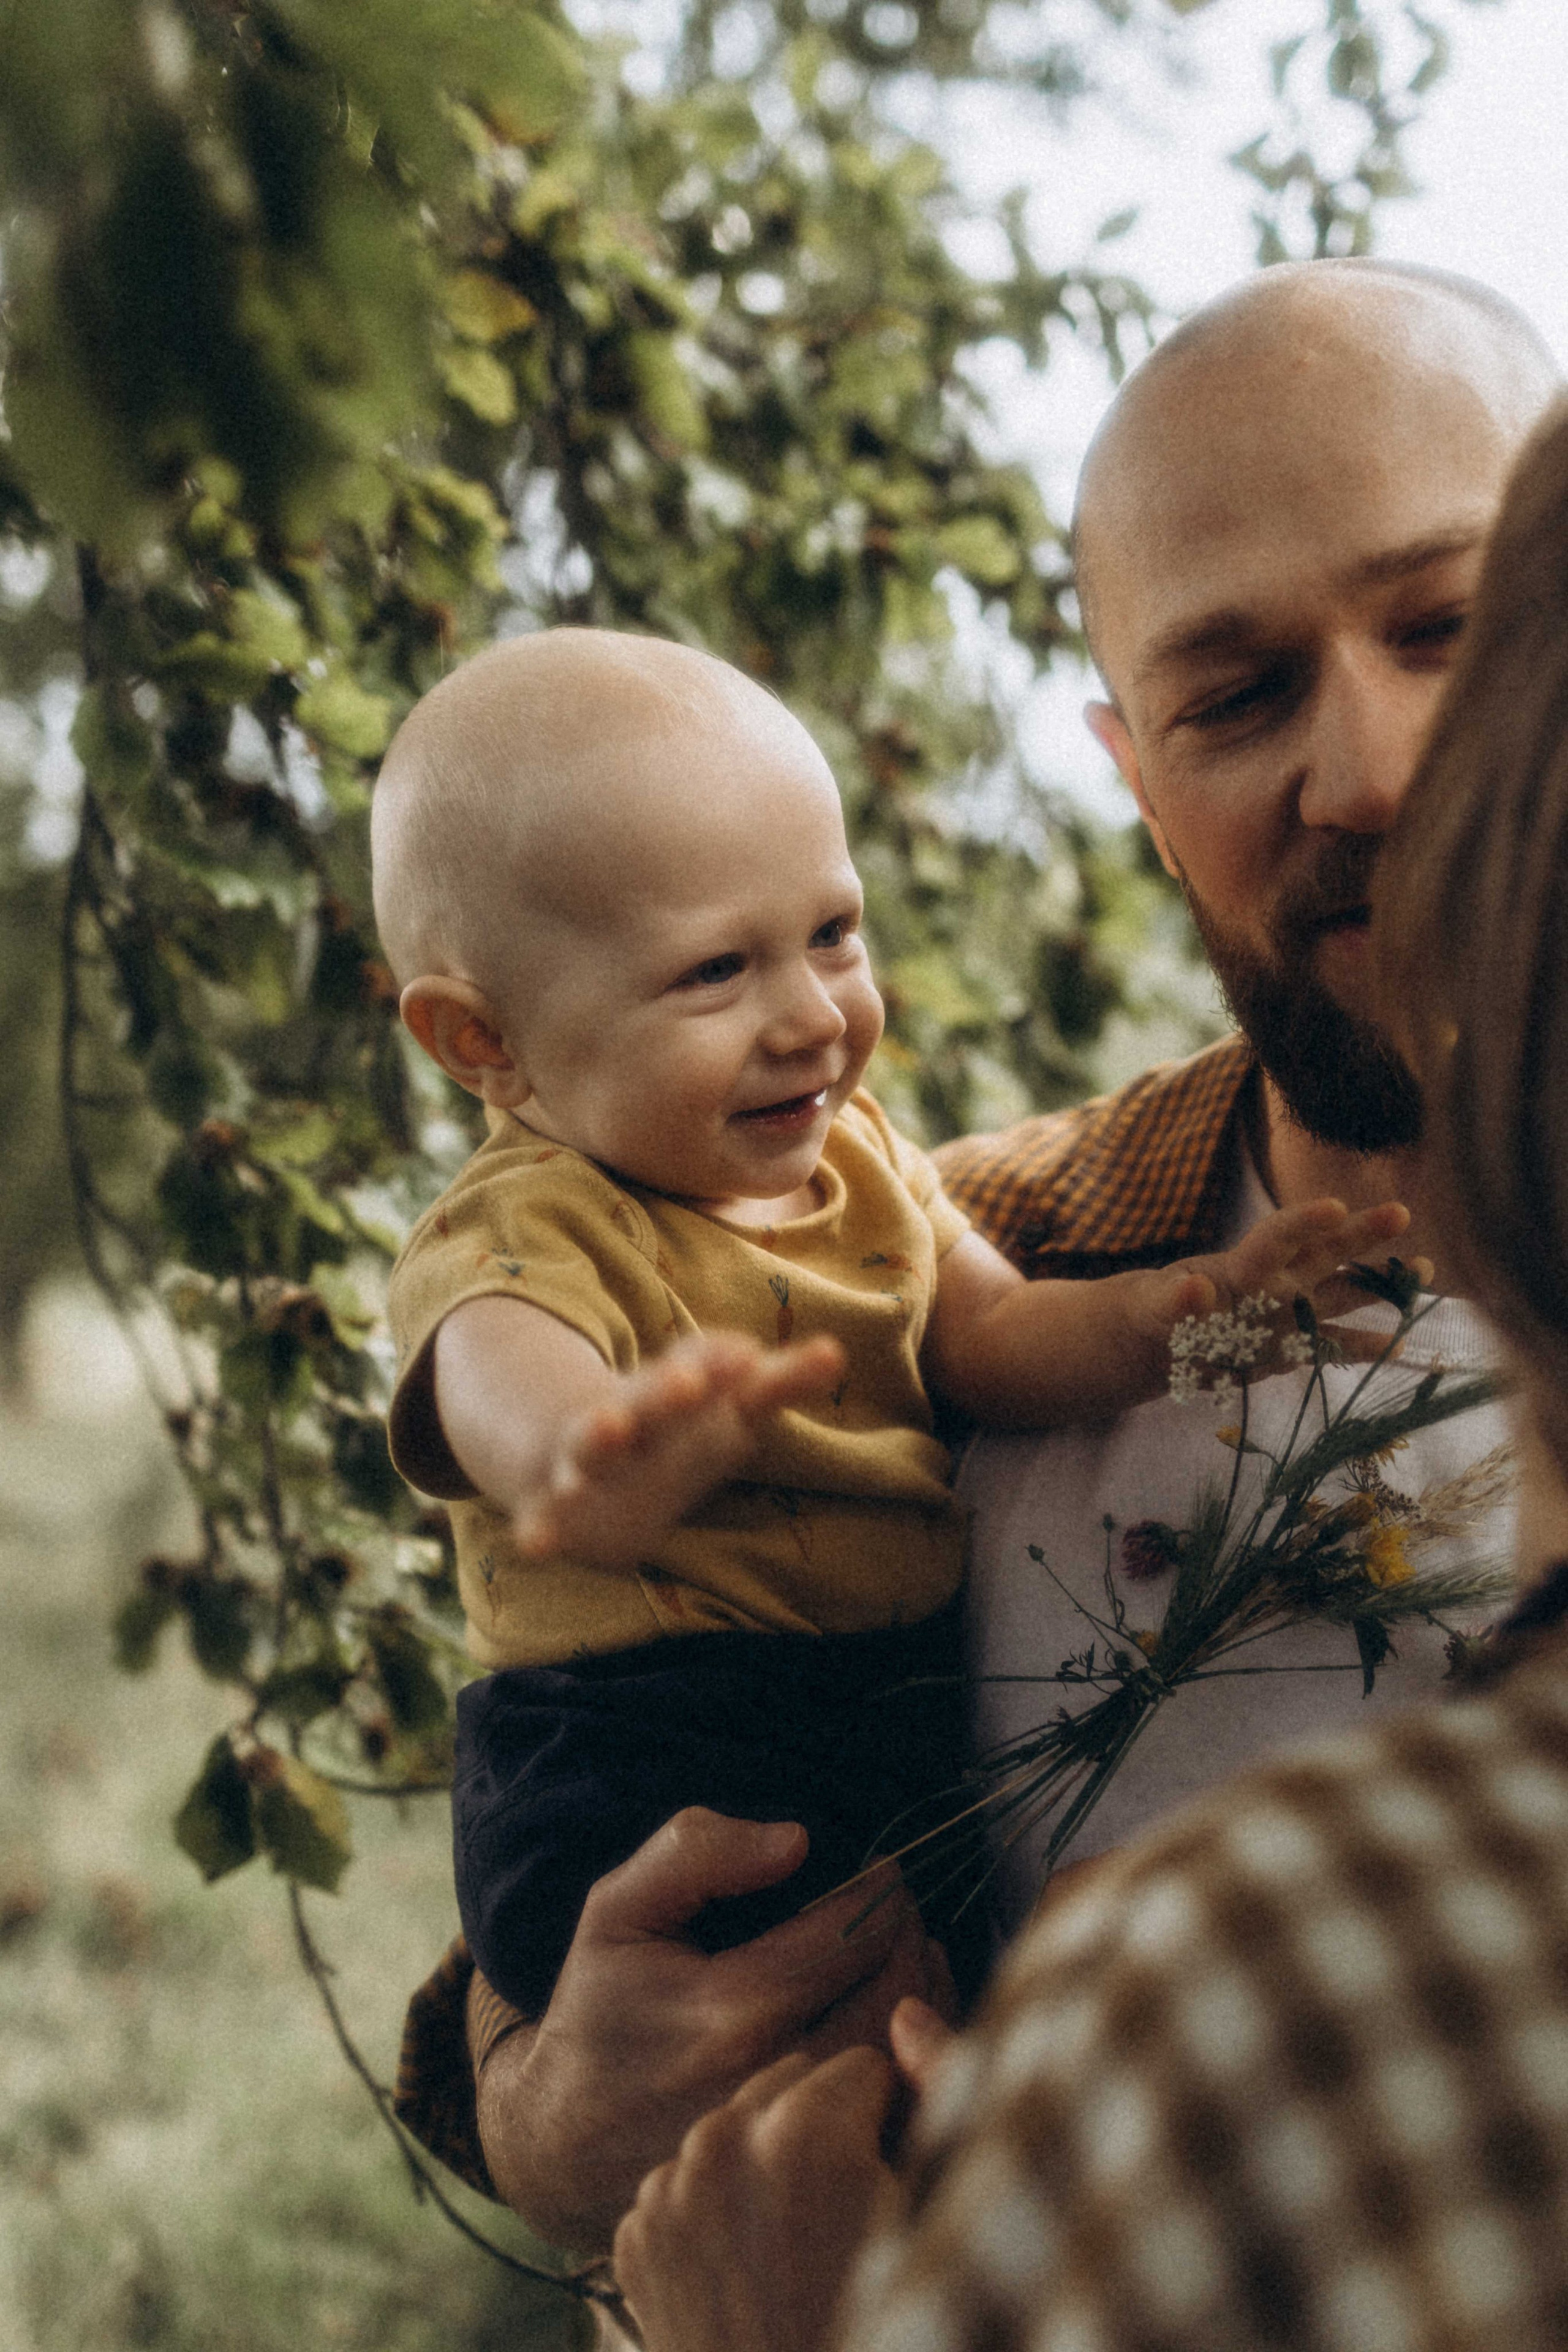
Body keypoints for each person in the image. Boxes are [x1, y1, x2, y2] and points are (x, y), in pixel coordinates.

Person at [390, 257, 1558, 2246]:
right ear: (1138, 783)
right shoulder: (970, 1262)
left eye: (1448, 629)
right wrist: (536, 2105)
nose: (1366, 773)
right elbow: (612, 1836)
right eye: (1238, 693)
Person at [372, 626, 1390, 2022]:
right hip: (650, 1745)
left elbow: (998, 1341)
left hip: (884, 1710)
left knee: (940, 2015)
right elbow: (498, 1366)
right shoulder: (526, 1223)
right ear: (482, 1042)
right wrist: (583, 1456)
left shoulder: (855, 1159)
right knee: (816, 2044)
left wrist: (1203, 1328)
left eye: (832, 934)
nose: (810, 1016)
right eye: (714, 972)